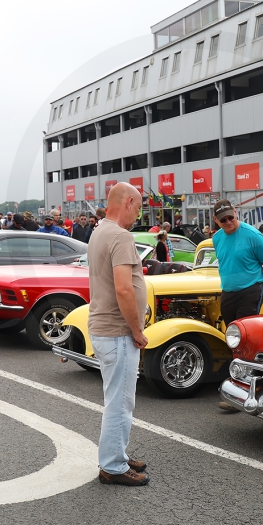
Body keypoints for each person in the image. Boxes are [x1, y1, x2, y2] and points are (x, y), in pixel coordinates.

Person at [86, 183, 149, 486]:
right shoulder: (121, 236)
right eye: (138, 207)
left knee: (117, 398)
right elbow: (124, 288)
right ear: (127, 203)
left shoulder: (99, 231)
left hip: (104, 327)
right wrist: (137, 330)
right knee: (120, 402)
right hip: (118, 331)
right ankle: (112, 464)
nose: (138, 213)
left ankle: (116, 454)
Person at [212, 199, 263, 411]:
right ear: (217, 221)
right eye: (223, 219)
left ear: (236, 213)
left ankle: (247, 391)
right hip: (228, 292)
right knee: (233, 340)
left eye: (231, 217)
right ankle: (237, 384)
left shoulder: (253, 235)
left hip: (249, 290)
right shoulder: (217, 238)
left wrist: (261, 284)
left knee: (245, 339)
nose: (229, 221)